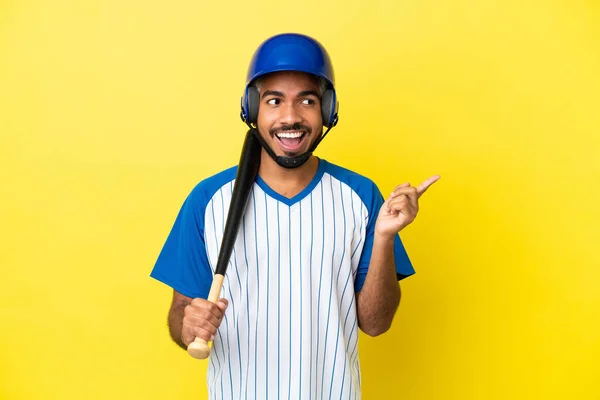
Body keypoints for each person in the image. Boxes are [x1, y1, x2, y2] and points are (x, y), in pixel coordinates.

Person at [151, 33, 439, 399]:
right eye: (274, 101)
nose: (290, 117)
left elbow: (376, 324)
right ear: (253, 109)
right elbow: (180, 317)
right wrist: (188, 323)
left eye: (307, 100)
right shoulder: (208, 199)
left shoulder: (362, 196)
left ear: (327, 111)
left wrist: (384, 237)